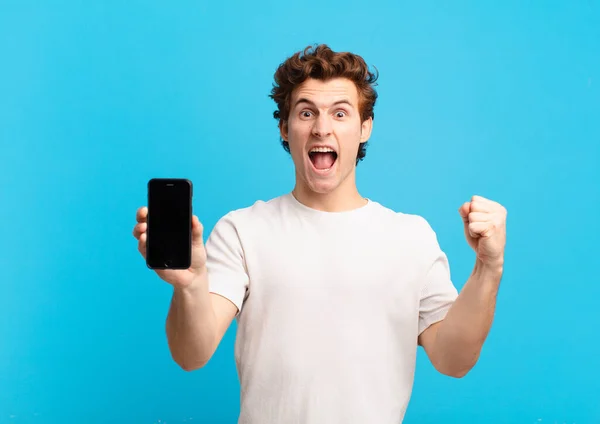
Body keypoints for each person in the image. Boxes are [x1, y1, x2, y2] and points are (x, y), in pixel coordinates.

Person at [132, 44, 507, 423]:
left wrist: (488, 268)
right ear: (285, 127)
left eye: (340, 113)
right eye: (306, 112)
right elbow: (190, 354)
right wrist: (191, 285)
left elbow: (454, 360)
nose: (322, 128)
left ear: (365, 127)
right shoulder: (243, 230)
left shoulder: (410, 237)